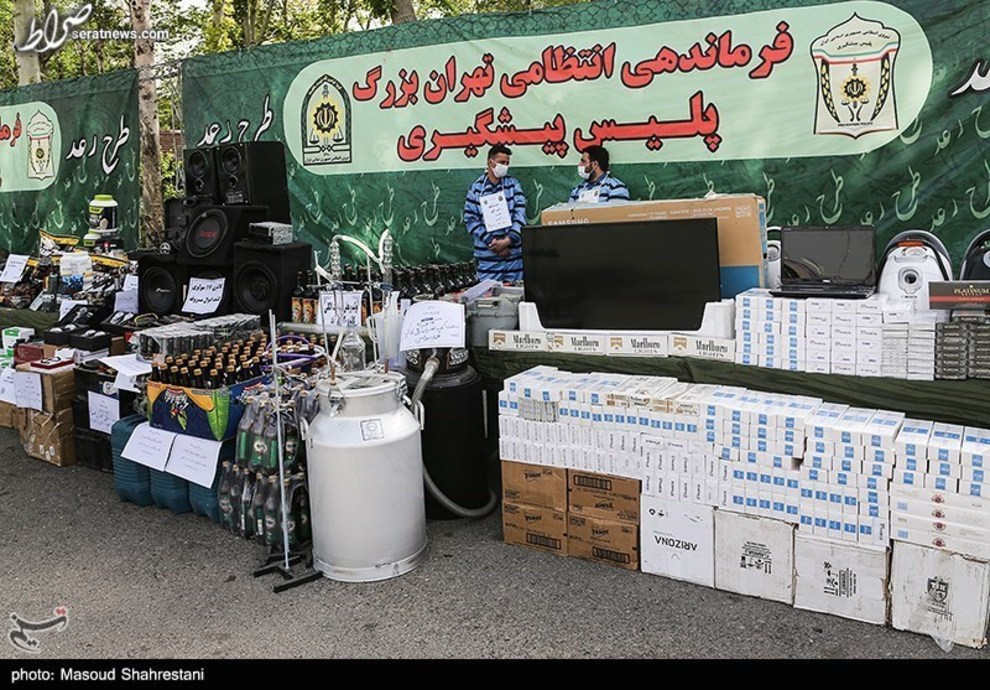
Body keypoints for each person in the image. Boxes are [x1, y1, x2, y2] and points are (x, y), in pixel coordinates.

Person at [463, 144, 527, 283]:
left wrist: (508, 240)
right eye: (501, 162)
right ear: (490, 162)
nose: (505, 166)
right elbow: (470, 219)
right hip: (488, 260)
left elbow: (520, 214)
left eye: (507, 163)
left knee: (515, 293)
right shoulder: (476, 188)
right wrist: (492, 242)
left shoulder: (513, 185)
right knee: (487, 295)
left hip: (513, 258)